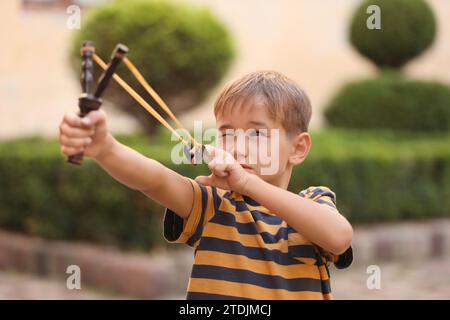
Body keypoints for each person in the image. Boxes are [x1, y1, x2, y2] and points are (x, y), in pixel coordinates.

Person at [59, 70, 353, 299]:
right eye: (227, 133)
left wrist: (249, 183)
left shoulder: (315, 201)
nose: (237, 147)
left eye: (256, 133)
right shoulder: (213, 203)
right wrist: (106, 148)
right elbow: (154, 179)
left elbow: (339, 237)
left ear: (298, 148)